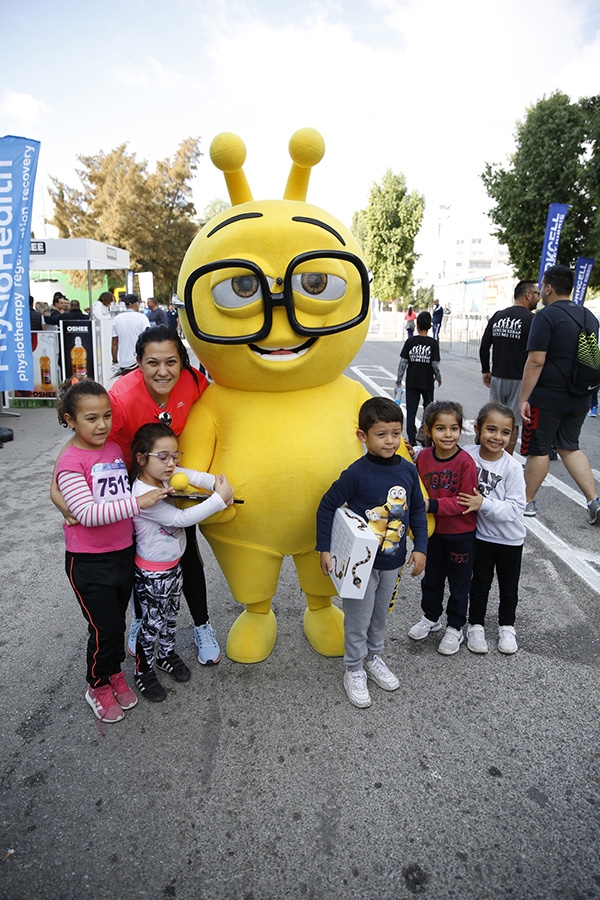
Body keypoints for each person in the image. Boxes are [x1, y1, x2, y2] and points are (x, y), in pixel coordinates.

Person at [50, 326, 219, 663]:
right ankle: (140, 622)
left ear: (183, 363)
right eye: (152, 362)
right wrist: (56, 487)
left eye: (171, 361)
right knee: (140, 557)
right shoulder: (122, 399)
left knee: (186, 551)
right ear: (138, 364)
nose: (163, 371)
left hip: (171, 474)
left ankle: (202, 626)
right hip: (131, 482)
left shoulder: (193, 382)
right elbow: (82, 438)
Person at [54, 380, 169, 724]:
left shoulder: (113, 451)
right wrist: (139, 502)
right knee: (103, 628)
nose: (102, 425)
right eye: (91, 418)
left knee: (117, 624)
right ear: (70, 420)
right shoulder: (71, 461)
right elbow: (87, 514)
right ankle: (97, 684)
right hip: (88, 562)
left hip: (123, 553)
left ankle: (114, 672)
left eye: (106, 415)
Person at [316, 397, 428, 708]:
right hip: (359, 566)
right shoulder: (356, 473)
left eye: (396, 433)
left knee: (380, 616)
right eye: (382, 434)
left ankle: (374, 657)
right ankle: (353, 668)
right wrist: (324, 547)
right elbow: (327, 506)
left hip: (393, 562)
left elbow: (417, 509)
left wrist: (421, 547)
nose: (391, 441)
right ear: (362, 436)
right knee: (358, 617)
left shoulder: (407, 470)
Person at [130, 423, 234, 702]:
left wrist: (216, 483)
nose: (171, 463)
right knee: (151, 624)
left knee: (170, 617)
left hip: (173, 568)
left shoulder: (167, 475)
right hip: (152, 575)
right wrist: (219, 500)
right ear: (141, 458)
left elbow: (195, 475)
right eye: (162, 456)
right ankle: (144, 670)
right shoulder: (142, 494)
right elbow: (180, 520)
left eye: (175, 456)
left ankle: (165, 655)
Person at [518, 265, 600, 523]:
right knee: (569, 446)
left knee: (539, 449)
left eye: (542, 286)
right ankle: (593, 500)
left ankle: (526, 502)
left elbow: (536, 361)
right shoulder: (589, 317)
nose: (540, 291)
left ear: (549, 287)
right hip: (580, 395)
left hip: (549, 396)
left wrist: (523, 398)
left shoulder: (546, 316)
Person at [409, 400, 478, 655]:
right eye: (441, 428)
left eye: (454, 428)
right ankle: (431, 617)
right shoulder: (423, 457)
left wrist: (431, 505)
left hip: (461, 534)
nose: (448, 434)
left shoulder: (465, 462)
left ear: (461, 430)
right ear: (428, 431)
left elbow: (464, 503)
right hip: (432, 533)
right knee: (432, 579)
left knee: (459, 582)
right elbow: (414, 481)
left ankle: (456, 626)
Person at [457, 401, 526, 655]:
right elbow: (444, 457)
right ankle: (475, 625)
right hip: (481, 537)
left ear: (512, 436)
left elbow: (516, 508)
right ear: (477, 429)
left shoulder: (512, 468)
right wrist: (416, 451)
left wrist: (482, 503)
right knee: (479, 584)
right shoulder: (468, 454)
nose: (497, 437)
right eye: (491, 430)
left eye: (505, 433)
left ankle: (507, 626)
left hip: (510, 540)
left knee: (509, 587)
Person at [479, 280, 539, 454]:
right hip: (520, 379)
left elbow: (484, 346)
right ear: (528, 295)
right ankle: (507, 460)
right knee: (511, 423)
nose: (538, 298)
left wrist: (486, 370)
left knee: (494, 418)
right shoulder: (532, 320)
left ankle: (490, 457)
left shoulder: (498, 316)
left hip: (497, 377)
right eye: (536, 294)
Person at [395, 310, 441, 446]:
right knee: (429, 410)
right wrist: (438, 377)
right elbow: (435, 365)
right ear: (430, 326)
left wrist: (398, 381)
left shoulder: (411, 341)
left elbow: (403, 363)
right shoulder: (433, 343)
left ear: (417, 325)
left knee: (411, 411)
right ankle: (425, 436)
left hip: (412, 382)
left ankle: (412, 441)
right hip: (427, 382)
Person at [111, 293, 150, 374]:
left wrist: (115, 360)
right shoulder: (142, 318)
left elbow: (114, 342)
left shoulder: (117, 319)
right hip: (139, 360)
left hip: (124, 361)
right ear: (136, 304)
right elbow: (148, 339)